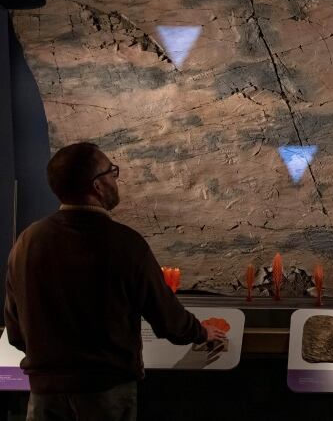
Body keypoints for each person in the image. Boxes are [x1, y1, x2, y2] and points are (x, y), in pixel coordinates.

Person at [4, 142, 226, 421]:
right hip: (105, 393)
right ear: (97, 186)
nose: (114, 179)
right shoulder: (125, 244)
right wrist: (201, 332)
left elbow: (15, 329)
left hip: (44, 395)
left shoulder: (27, 242)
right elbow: (167, 318)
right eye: (112, 172)